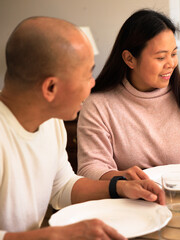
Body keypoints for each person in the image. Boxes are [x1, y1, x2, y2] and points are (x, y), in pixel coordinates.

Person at [0, 16, 165, 240]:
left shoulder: (51, 121)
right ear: (51, 87)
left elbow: (62, 187)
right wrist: (54, 236)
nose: (93, 83)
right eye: (87, 75)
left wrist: (119, 187)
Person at [76, 9, 180, 181]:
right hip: (128, 202)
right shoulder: (98, 104)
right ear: (129, 59)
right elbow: (90, 169)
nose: (171, 64)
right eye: (161, 57)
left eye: (173, 54)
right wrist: (124, 180)